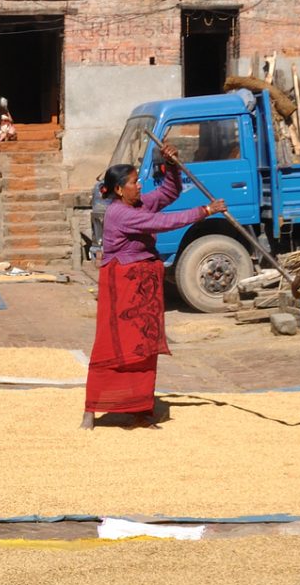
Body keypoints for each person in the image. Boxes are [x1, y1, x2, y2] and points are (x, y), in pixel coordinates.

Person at [85, 145, 226, 429]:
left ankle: (139, 409)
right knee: (114, 346)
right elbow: (162, 222)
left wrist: (171, 165)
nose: (139, 186)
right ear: (119, 190)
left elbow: (168, 195)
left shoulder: (137, 203)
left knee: (144, 346)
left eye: (138, 181)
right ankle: (91, 409)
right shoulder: (120, 214)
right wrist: (205, 211)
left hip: (144, 285)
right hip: (123, 285)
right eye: (134, 183)